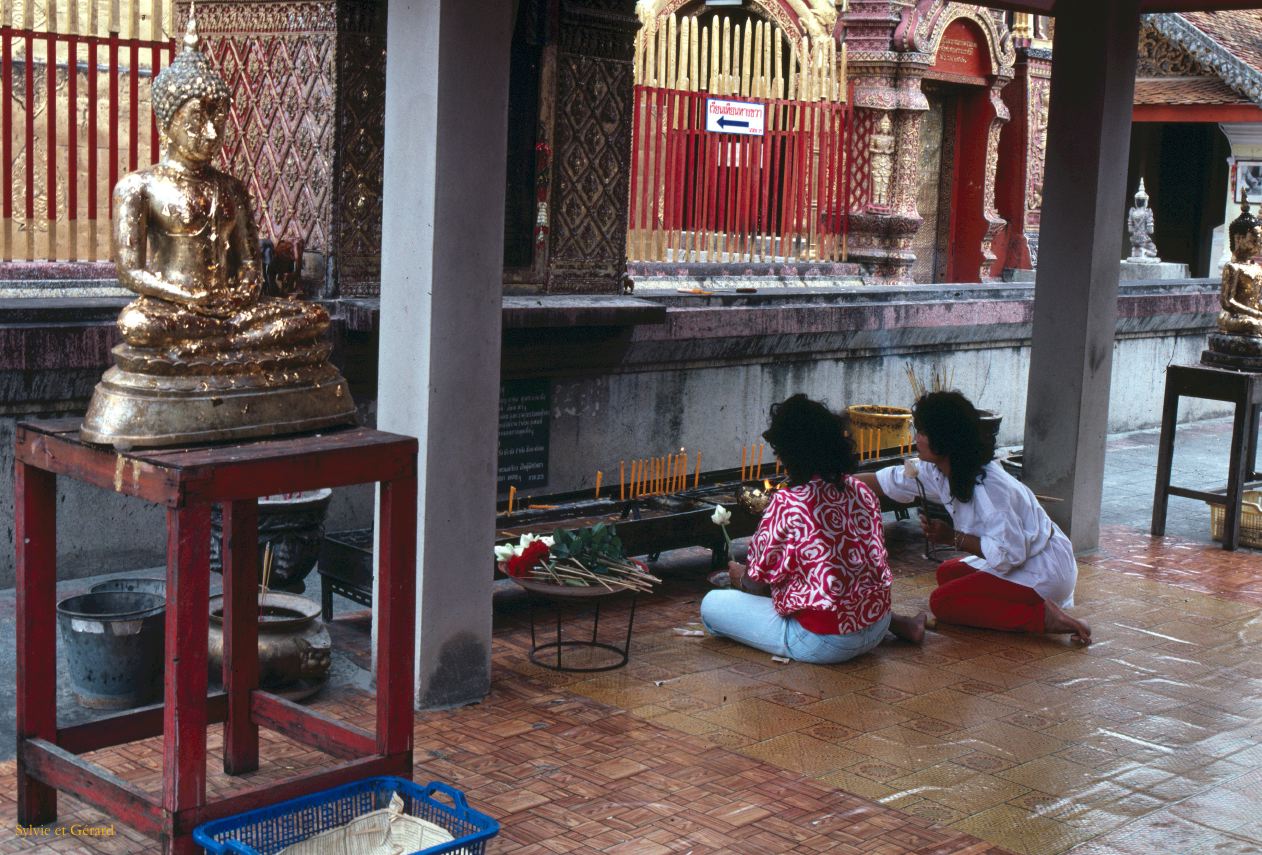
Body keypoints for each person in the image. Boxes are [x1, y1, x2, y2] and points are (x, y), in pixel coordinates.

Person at [700, 395, 927, 664]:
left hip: (825, 642)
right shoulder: (861, 491)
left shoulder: (787, 502)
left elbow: (755, 583)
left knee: (712, 605)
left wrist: (739, 577)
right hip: (876, 625)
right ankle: (898, 625)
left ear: (790, 453)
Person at [858, 391, 1091, 644]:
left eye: (922, 432)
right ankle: (1035, 606)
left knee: (943, 603)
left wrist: (951, 537)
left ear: (943, 440)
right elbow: (886, 480)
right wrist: (832, 482)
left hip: (1043, 569)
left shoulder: (991, 490)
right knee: (947, 573)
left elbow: (1010, 555)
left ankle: (1043, 617)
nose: (917, 439)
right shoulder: (942, 469)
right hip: (1022, 559)